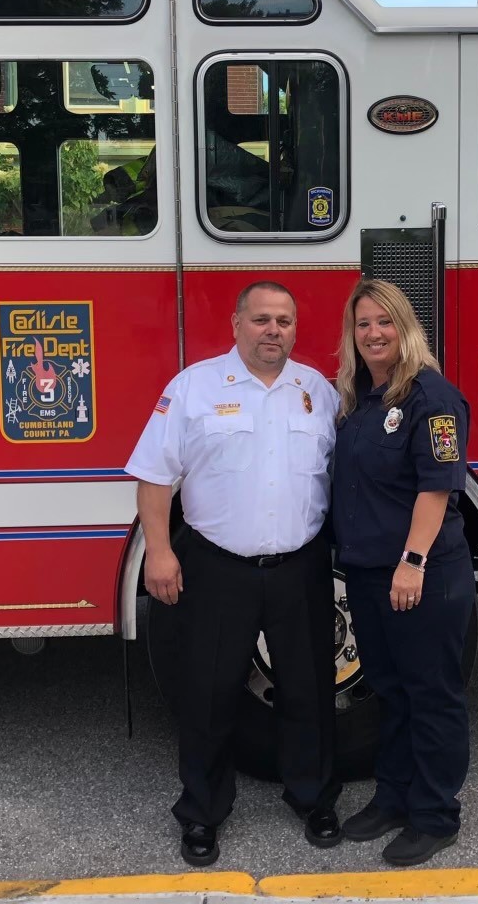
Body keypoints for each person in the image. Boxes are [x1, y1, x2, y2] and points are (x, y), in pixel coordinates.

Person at [125, 281, 342, 866]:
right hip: (218, 567)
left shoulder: (315, 391)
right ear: (236, 324)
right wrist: (161, 553)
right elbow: (152, 473)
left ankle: (313, 797)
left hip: (300, 565)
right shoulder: (194, 386)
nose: (274, 330)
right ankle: (202, 811)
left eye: (285, 321)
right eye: (262, 319)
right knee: (209, 694)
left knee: (309, 688)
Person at [332, 278, 475, 867]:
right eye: (363, 324)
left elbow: (437, 488)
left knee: (431, 694)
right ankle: (393, 797)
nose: (374, 334)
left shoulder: (431, 398)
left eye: (384, 322)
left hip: (420, 575)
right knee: (390, 690)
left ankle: (436, 815)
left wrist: (412, 562)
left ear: (406, 327)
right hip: (369, 575)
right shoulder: (362, 400)